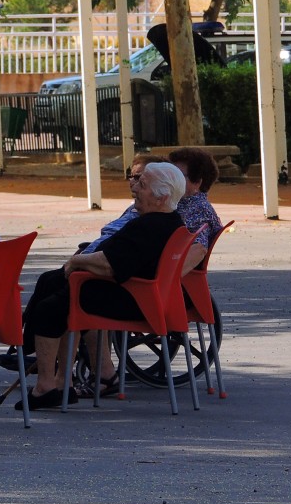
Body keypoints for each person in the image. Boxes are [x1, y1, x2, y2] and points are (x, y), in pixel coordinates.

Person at [17, 162, 187, 410]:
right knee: (53, 283)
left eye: (142, 184)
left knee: (50, 308)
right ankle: (60, 381)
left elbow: (109, 264)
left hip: (134, 300)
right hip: (141, 293)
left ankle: (45, 386)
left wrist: (76, 260)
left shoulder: (150, 226)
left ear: (161, 197)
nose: (135, 188)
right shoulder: (169, 220)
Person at [168, 147, 224, 274]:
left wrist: (166, 279)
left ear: (197, 182)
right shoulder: (176, 202)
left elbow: (198, 249)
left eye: (177, 176)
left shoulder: (199, 209)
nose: (170, 179)